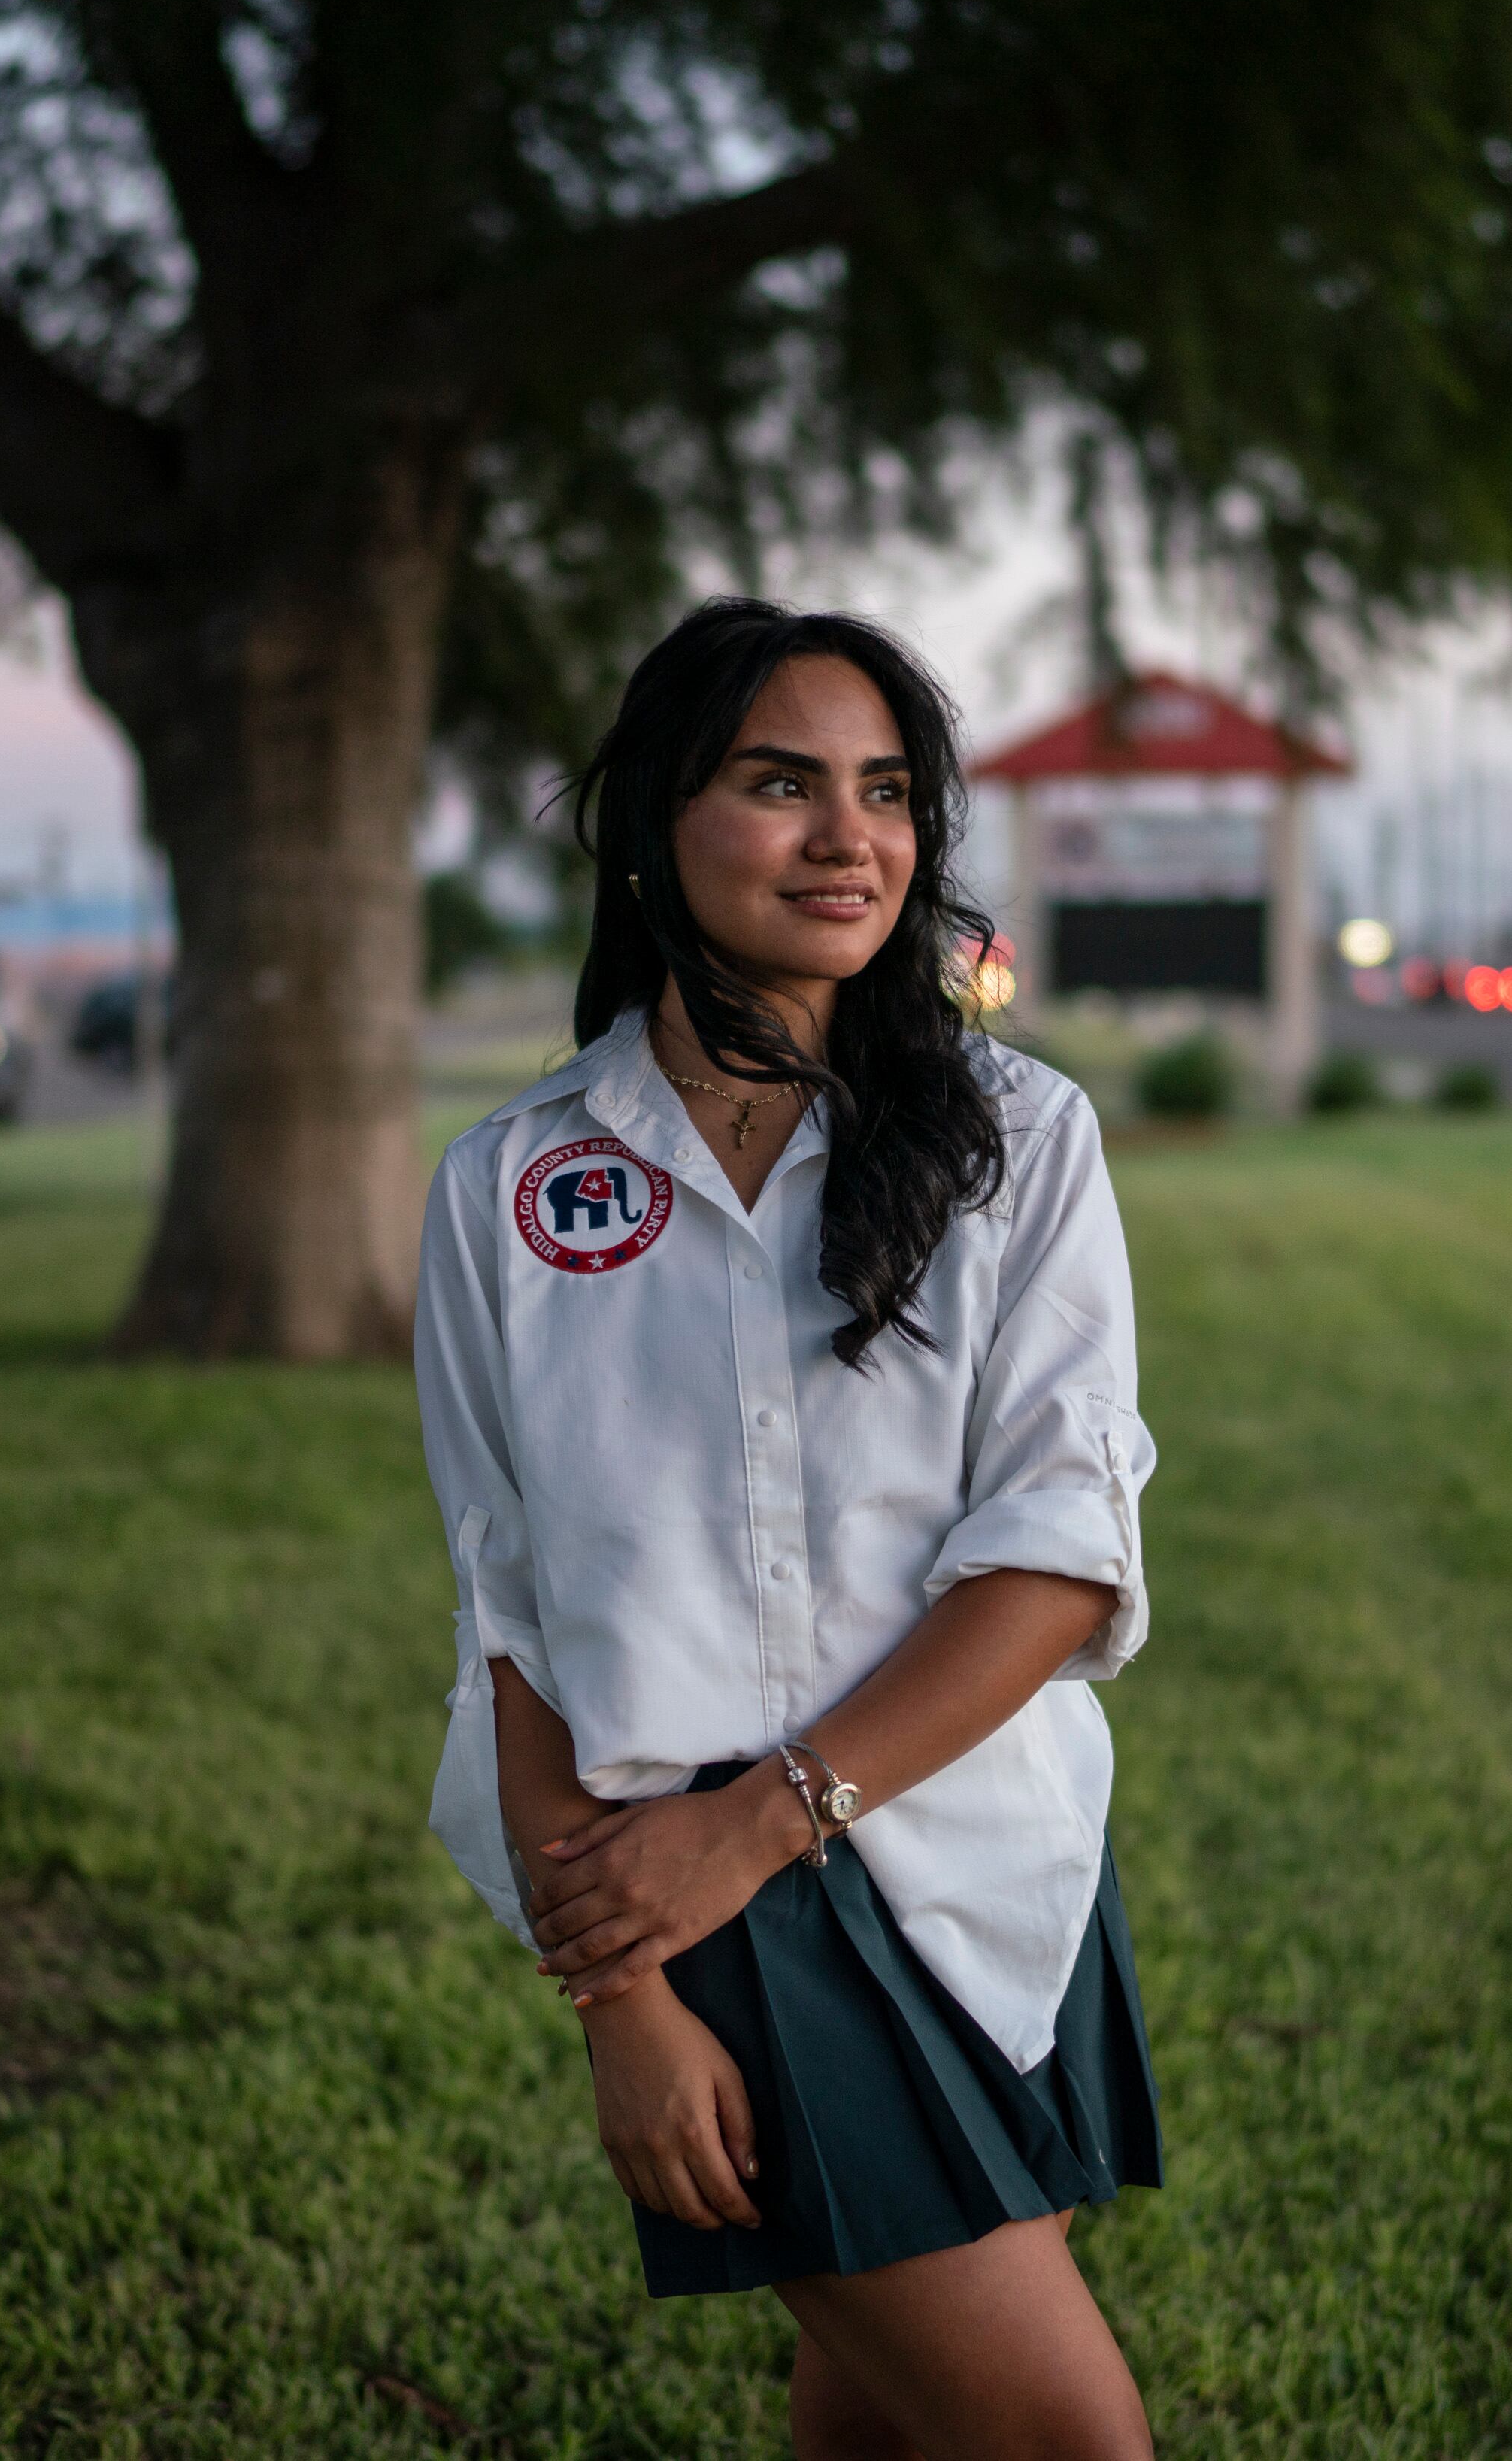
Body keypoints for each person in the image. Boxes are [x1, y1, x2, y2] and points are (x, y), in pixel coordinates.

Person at [416, 599, 1162, 2459]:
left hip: (995, 1858)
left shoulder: (1019, 1141)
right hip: (714, 1918)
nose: (852, 840)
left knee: (887, 2422)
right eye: (780, 784)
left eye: (888, 793)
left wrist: (762, 1825)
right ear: (656, 822)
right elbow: (512, 1621)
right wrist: (624, 2000)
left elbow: (1058, 1552)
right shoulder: (511, 1190)